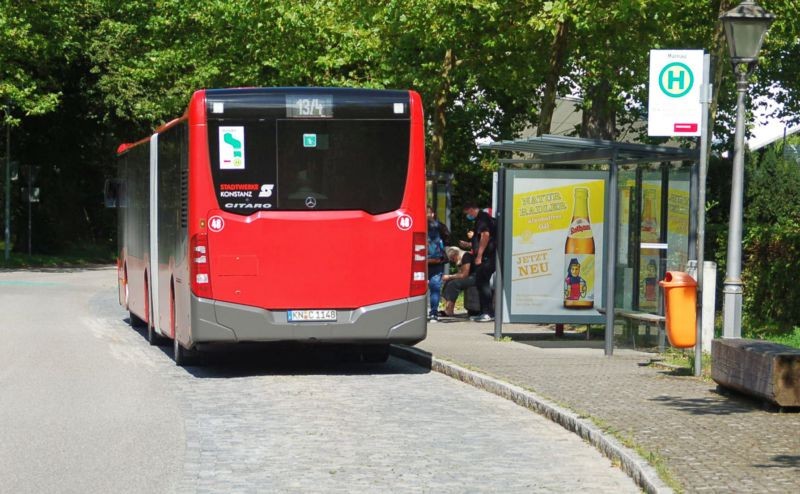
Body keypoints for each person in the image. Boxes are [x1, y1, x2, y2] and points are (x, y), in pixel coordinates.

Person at [463, 203, 496, 322]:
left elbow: (485, 236)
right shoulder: (481, 218)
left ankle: (488, 312)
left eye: (467, 213)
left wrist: (479, 255)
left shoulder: (482, 219)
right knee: (480, 282)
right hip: (486, 256)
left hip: (487, 257)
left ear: (472, 209)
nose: (468, 216)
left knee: (483, 282)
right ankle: (483, 312)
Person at [426, 205, 450, 322]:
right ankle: (433, 313)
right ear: (433, 214)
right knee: (435, 288)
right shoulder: (440, 226)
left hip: (420, 261)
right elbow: (447, 239)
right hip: (436, 260)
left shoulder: (416, 223)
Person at [441, 246, 475, 316]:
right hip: (468, 277)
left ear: (456, 254)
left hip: (474, 277)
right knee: (448, 282)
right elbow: (460, 273)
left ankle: (450, 310)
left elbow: (464, 274)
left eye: (452, 258)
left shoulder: (466, 256)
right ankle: (447, 308)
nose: (452, 260)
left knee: (453, 284)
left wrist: (449, 276)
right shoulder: (460, 258)